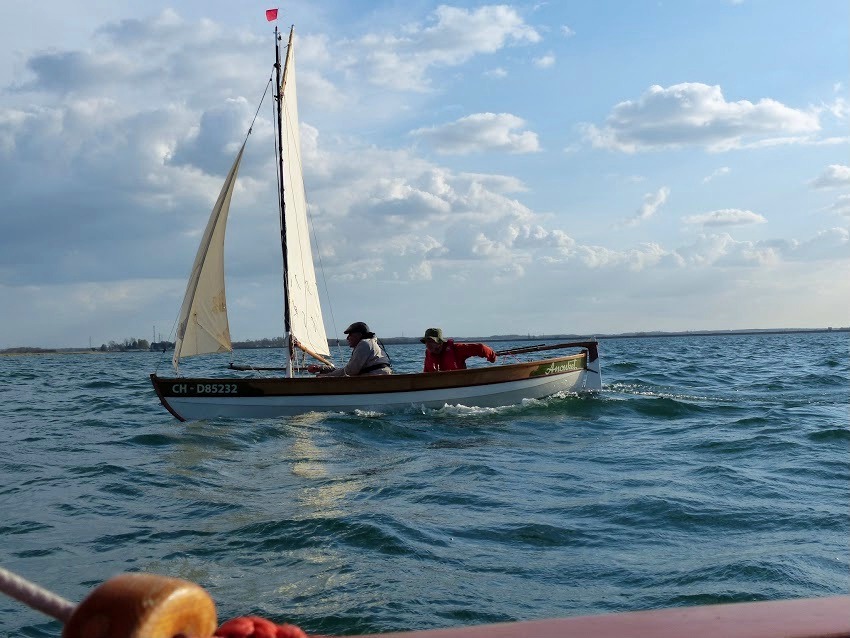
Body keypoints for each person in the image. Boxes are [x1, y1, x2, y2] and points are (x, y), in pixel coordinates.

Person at [307, 322, 392, 376]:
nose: (348, 338)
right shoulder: (368, 343)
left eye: (350, 334)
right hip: (378, 378)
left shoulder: (364, 344)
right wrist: (322, 369)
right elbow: (347, 369)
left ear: (359, 335)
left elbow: (350, 372)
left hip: (376, 379)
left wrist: (326, 376)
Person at [420, 328, 496, 372]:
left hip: (460, 384)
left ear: (440, 342)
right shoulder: (428, 353)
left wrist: (492, 357)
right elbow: (426, 373)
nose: (427, 344)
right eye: (426, 342)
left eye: (431, 341)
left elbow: (480, 347)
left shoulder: (457, 349)